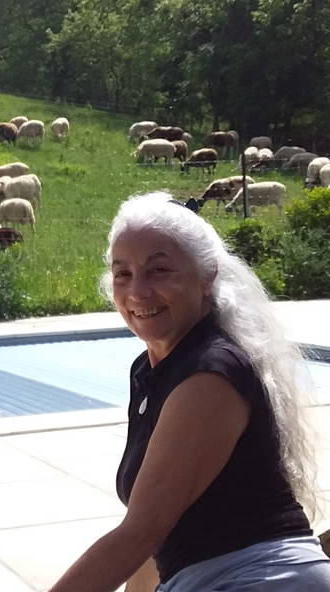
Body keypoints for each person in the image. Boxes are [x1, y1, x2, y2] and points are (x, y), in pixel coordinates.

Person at [47, 192, 330, 592]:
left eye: (159, 270)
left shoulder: (208, 376)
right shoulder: (154, 369)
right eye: (122, 273)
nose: (138, 291)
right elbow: (156, 541)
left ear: (206, 277)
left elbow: (140, 534)